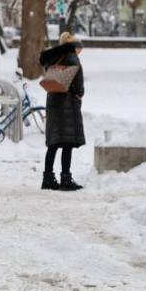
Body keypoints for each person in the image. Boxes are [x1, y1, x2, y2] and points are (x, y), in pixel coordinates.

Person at [39, 32, 85, 191]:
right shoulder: (72, 58)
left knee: (53, 144)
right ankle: (65, 179)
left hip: (53, 102)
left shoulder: (54, 57)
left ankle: (48, 178)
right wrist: (80, 93)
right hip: (67, 105)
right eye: (80, 47)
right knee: (67, 144)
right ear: (74, 47)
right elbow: (78, 85)